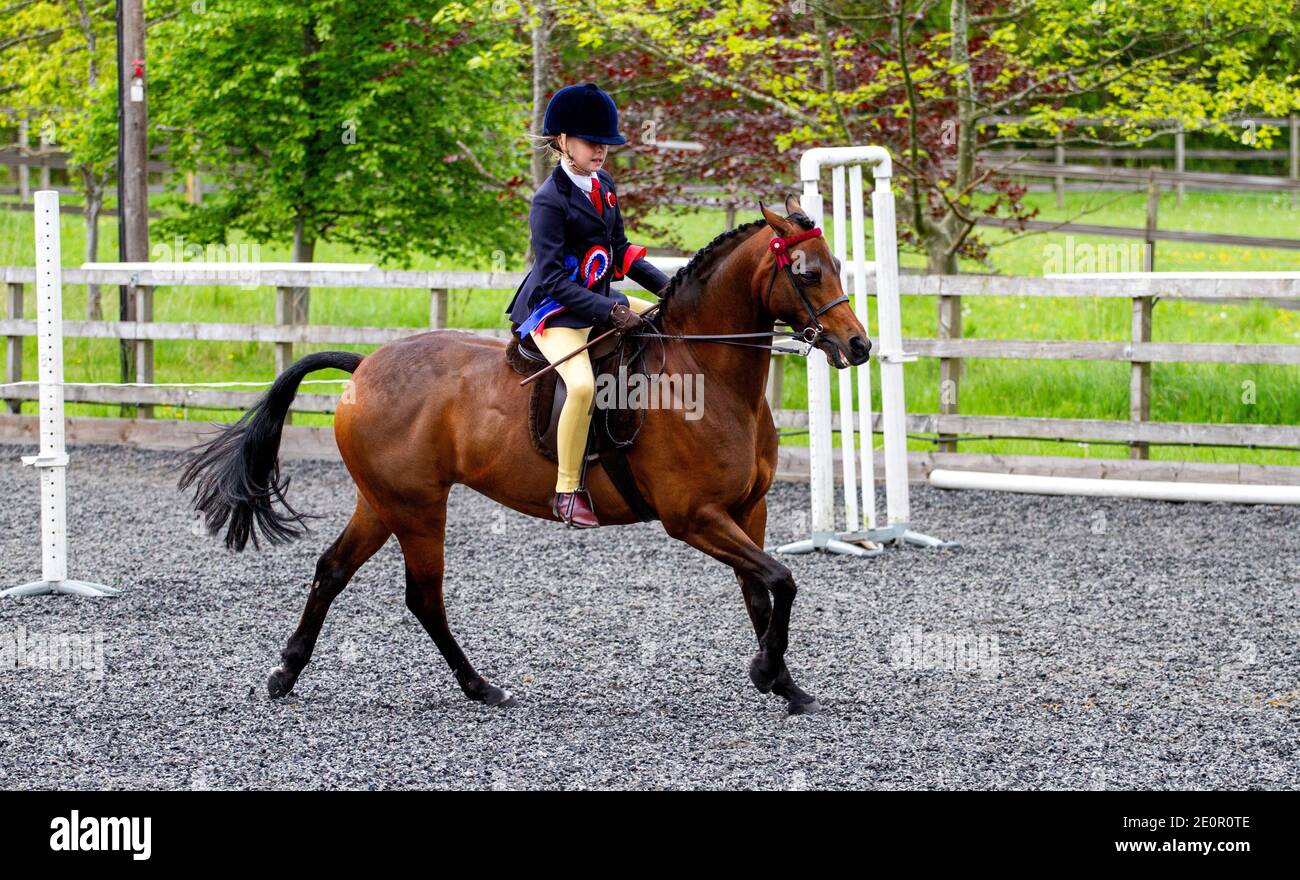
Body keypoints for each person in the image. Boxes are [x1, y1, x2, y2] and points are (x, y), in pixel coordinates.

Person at [506, 82, 668, 529]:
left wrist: (668, 288)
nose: (601, 152)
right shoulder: (548, 201)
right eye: (592, 143)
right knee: (580, 387)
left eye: (606, 144)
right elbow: (555, 279)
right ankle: (566, 490)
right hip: (555, 310)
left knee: (666, 322)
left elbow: (619, 249)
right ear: (563, 142)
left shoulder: (604, 185)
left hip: (597, 298)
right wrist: (611, 312)